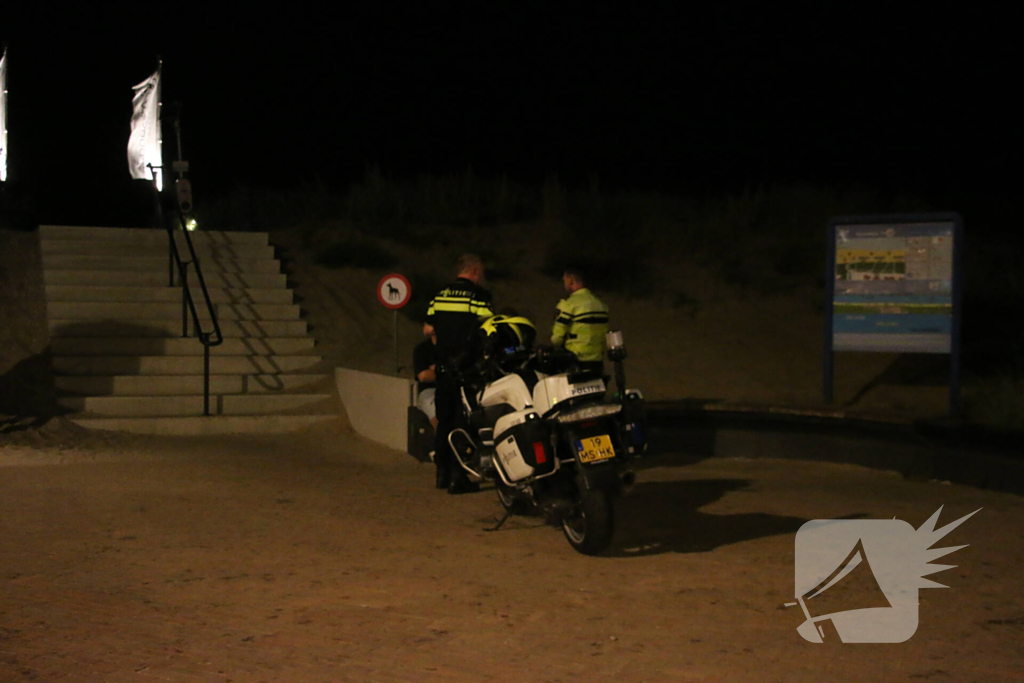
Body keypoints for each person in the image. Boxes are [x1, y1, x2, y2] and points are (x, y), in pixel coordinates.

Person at [425, 253, 495, 494]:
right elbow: (489, 328)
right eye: (481, 272)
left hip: (443, 368)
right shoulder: (478, 296)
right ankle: (459, 477)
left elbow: (428, 328)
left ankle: (441, 474)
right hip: (468, 369)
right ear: (474, 271)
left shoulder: (440, 295)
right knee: (463, 421)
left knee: (444, 420)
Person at [550, 266, 610, 372]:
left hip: (574, 361)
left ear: (571, 280)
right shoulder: (602, 306)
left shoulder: (568, 305)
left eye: (565, 280)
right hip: (597, 362)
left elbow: (557, 339)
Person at [412, 322, 438, 431]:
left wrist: (434, 370)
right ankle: (443, 443)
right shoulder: (422, 349)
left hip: (451, 387)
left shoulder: (452, 348)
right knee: (437, 411)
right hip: (429, 390)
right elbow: (423, 376)